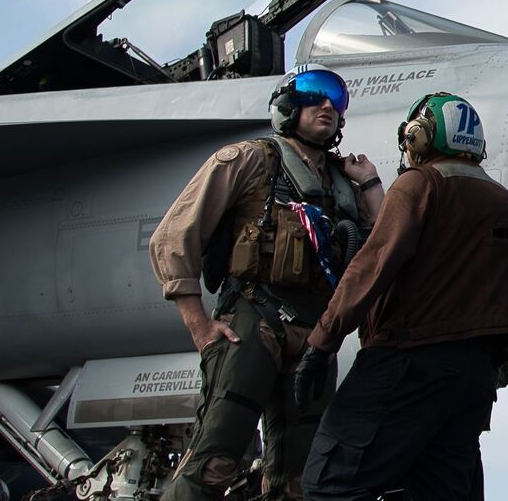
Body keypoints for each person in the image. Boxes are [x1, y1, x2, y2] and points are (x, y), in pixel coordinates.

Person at [297, 92, 508, 500]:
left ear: (420, 138)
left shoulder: (418, 185)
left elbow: (373, 266)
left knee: (328, 485)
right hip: (473, 380)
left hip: (406, 363)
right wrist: (480, 330)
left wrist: (321, 343)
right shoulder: (501, 200)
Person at [150, 64, 383, 500]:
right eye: (315, 93)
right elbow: (173, 236)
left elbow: (379, 249)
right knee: (215, 459)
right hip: (253, 321)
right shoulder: (250, 160)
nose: (328, 104)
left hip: (315, 336)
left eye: (337, 97)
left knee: (301, 479)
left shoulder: (343, 183)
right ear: (287, 105)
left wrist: (369, 184)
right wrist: (199, 325)